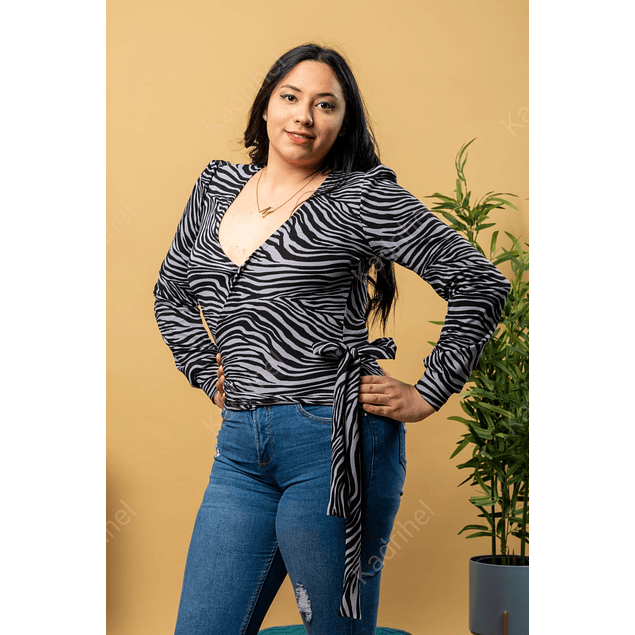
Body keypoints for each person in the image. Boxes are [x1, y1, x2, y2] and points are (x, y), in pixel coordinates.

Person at [153, 43, 511, 635]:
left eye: (326, 105)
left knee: (334, 630)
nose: (304, 116)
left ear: (343, 122)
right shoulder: (215, 188)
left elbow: (479, 282)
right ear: (265, 106)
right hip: (241, 449)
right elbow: (171, 292)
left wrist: (427, 392)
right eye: (290, 97)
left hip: (335, 441)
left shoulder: (359, 197)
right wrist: (204, 368)